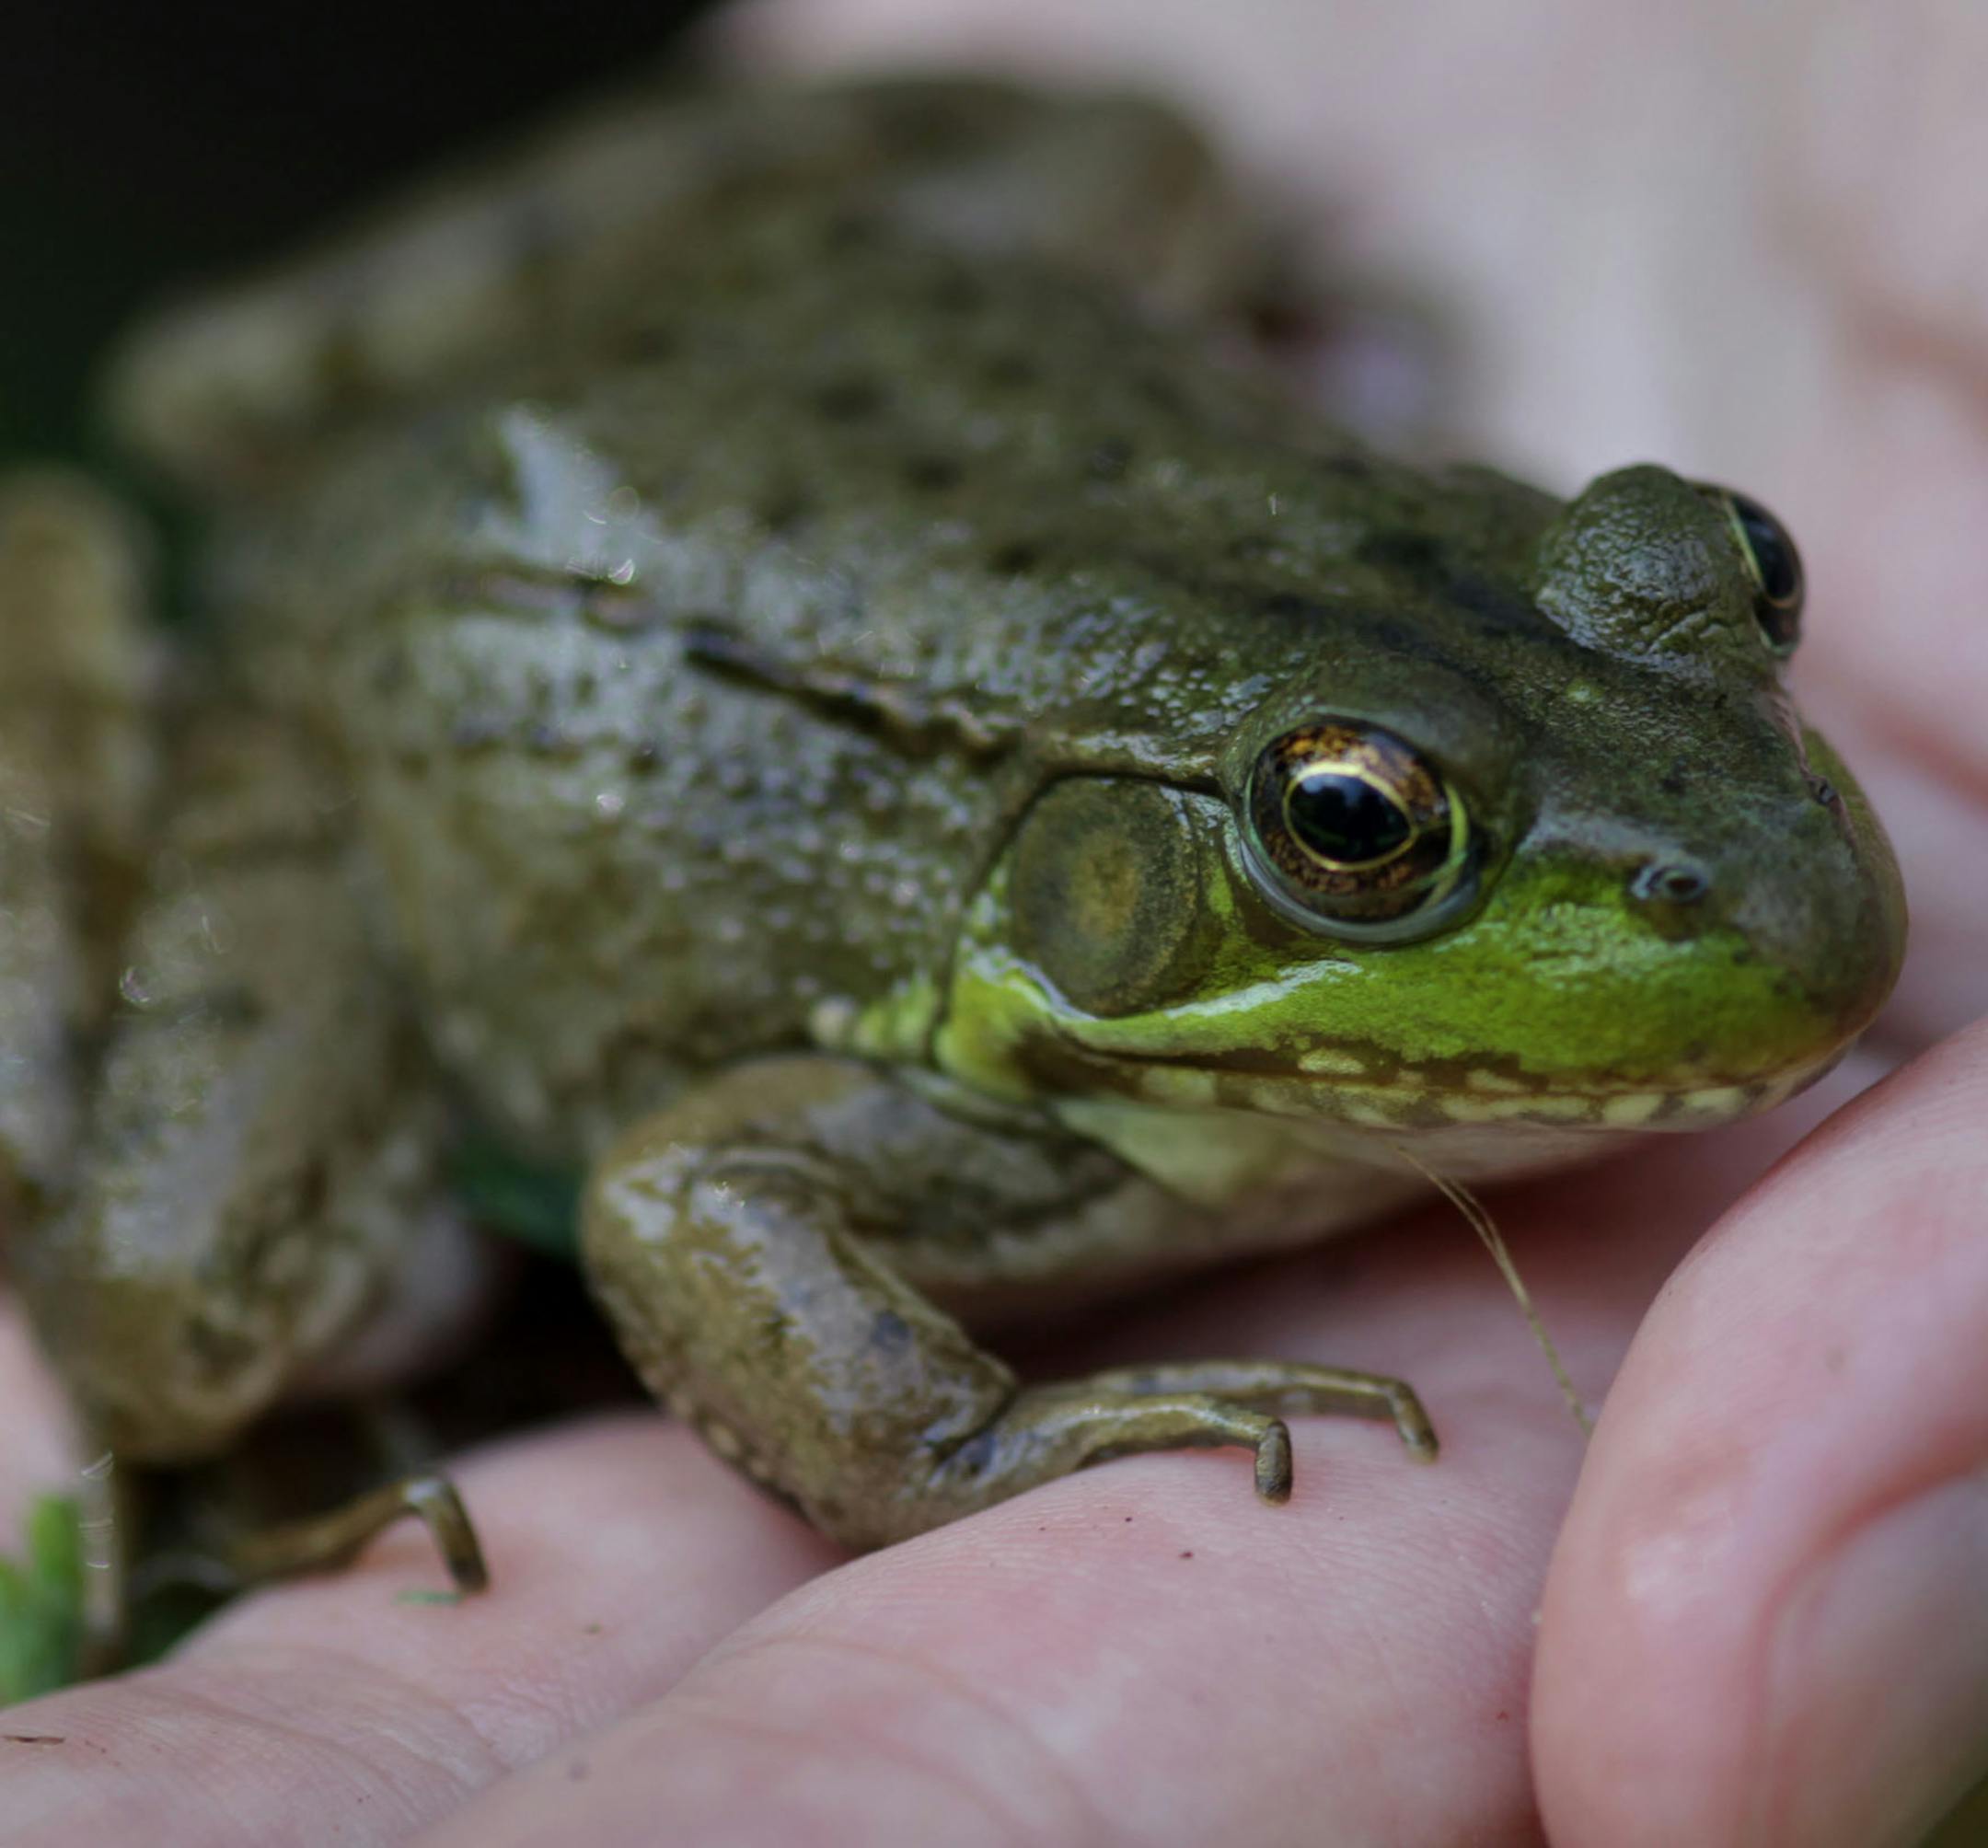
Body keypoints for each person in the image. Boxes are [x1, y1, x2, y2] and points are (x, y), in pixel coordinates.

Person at [5, 4, 1982, 1841]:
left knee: (1134, 160)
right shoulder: (984, 1052)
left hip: (837, 364)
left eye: (1730, 585)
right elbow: (698, 1194)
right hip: (394, 654)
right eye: (1362, 827)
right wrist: (936, 1437)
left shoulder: (1627, 728)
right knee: (180, 1300)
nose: (1738, 856)